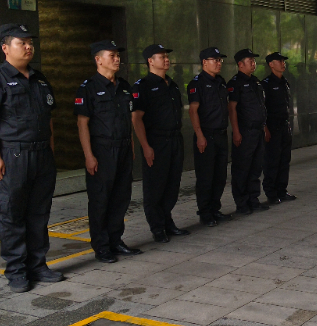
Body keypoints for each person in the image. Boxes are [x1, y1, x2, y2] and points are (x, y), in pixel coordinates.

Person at [0, 24, 62, 293]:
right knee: (11, 214)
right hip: (13, 155)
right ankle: (16, 271)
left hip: (41, 156)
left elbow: (48, 120)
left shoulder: (39, 78)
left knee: (39, 213)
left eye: (30, 42)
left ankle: (38, 265)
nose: (28, 47)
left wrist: (51, 150)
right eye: (21, 43)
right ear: (5, 48)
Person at [75, 40, 143, 264]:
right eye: (112, 55)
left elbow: (128, 120)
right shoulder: (88, 88)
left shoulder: (124, 86)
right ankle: (102, 246)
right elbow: (82, 123)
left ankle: (116, 240)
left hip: (123, 148)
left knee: (121, 198)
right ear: (98, 59)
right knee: (100, 199)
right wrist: (89, 155)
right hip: (102, 150)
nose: (117, 59)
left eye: (117, 55)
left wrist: (131, 147)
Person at [131, 44, 189, 244]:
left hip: (174, 140)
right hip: (156, 141)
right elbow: (136, 119)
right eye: (161, 56)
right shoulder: (143, 86)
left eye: (167, 56)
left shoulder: (171, 84)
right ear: (150, 61)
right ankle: (157, 228)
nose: (166, 60)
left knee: (172, 185)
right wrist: (146, 146)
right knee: (155, 187)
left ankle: (167, 221)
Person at [188, 47, 233, 227]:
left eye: (220, 60)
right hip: (206, 135)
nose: (219, 63)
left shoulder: (221, 82)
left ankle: (215, 208)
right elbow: (193, 111)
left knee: (220, 176)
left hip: (221, 134)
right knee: (206, 177)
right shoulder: (197, 83)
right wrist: (199, 135)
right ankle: (205, 212)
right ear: (204, 62)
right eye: (215, 60)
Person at [228, 49, 270, 215]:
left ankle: (253, 199)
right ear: (240, 64)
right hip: (244, 132)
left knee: (255, 167)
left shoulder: (256, 82)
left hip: (258, 131)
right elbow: (232, 109)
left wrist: (265, 127)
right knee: (242, 168)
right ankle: (242, 203)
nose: (253, 64)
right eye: (250, 61)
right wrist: (236, 132)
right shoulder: (235, 83)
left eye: (254, 61)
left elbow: (261, 107)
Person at [261, 52, 297, 204]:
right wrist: (265, 128)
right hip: (272, 127)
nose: (283, 63)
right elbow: (262, 108)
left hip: (284, 126)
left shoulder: (285, 82)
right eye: (280, 61)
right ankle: (271, 193)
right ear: (271, 64)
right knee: (272, 160)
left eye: (284, 61)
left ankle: (282, 190)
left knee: (284, 160)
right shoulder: (266, 84)